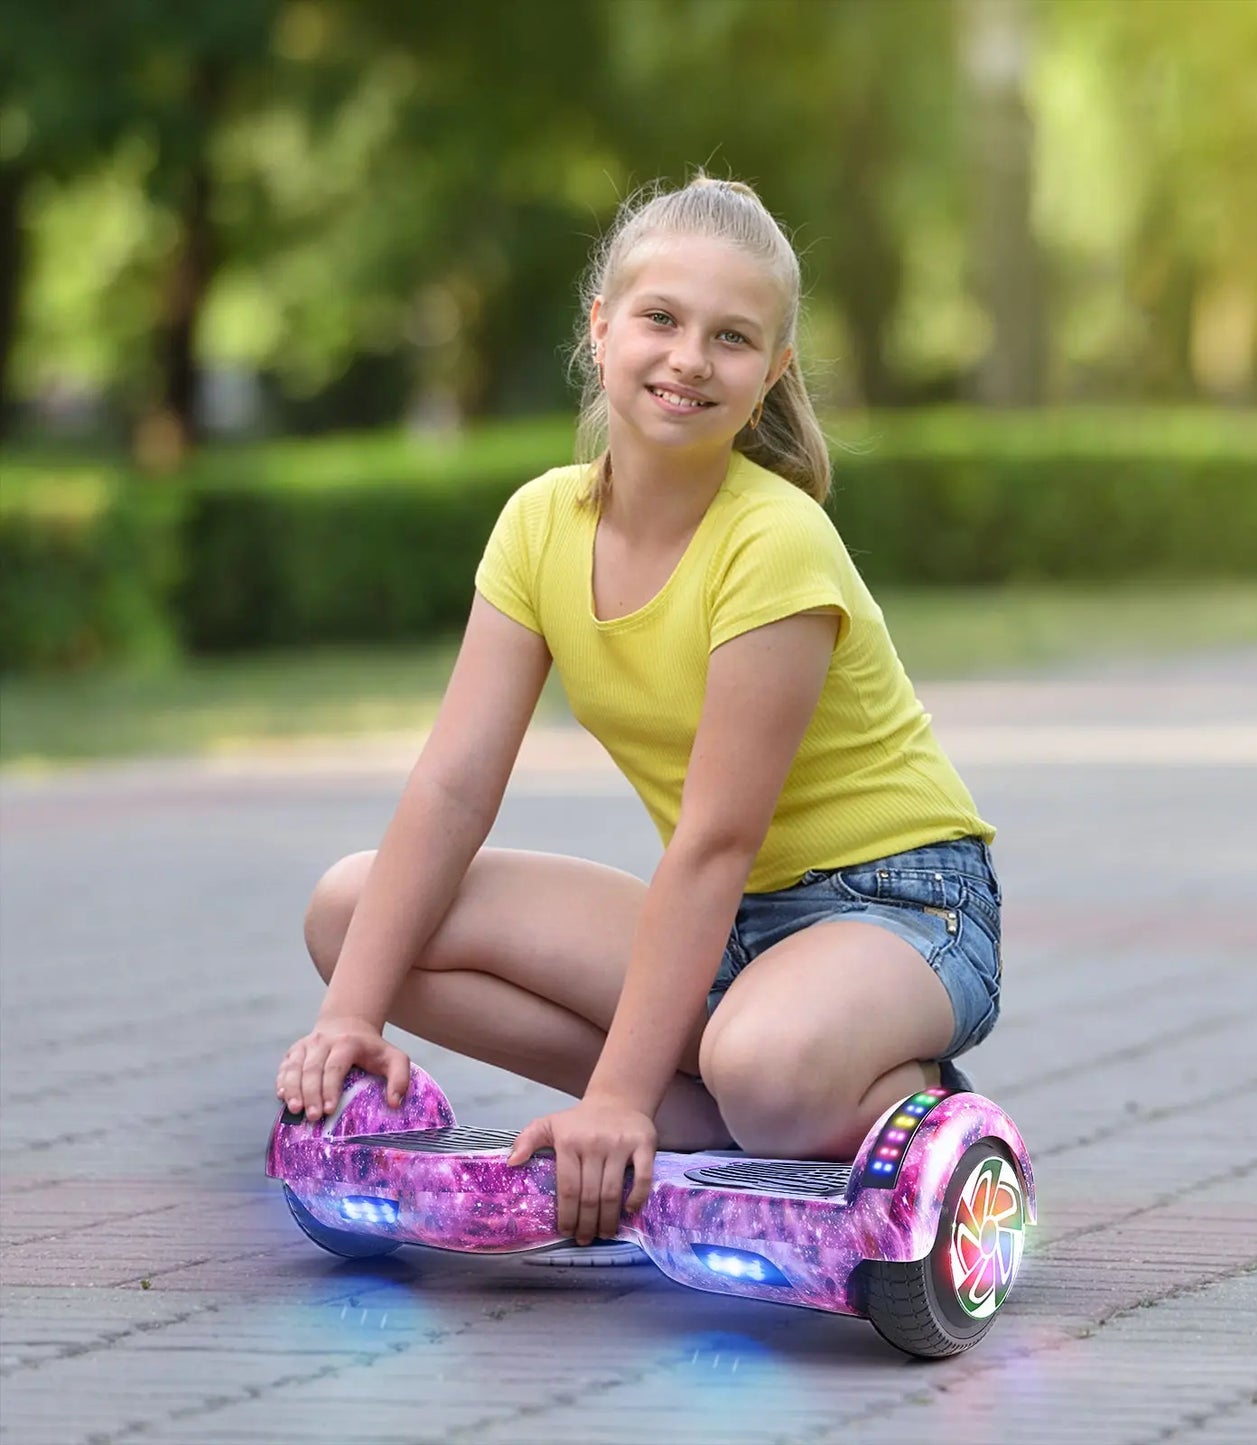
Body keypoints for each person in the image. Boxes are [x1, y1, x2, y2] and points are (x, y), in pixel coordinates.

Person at [275, 174, 1003, 1263]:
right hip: (726, 925)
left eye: (731, 337)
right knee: (351, 914)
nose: (689, 358)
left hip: (902, 908)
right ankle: (699, 1111)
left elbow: (715, 838)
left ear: (772, 372)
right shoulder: (538, 524)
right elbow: (453, 785)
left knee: (766, 1067)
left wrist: (612, 1095)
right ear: (601, 326)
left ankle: (882, 1094)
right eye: (661, 318)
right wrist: (350, 1017)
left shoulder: (773, 541)